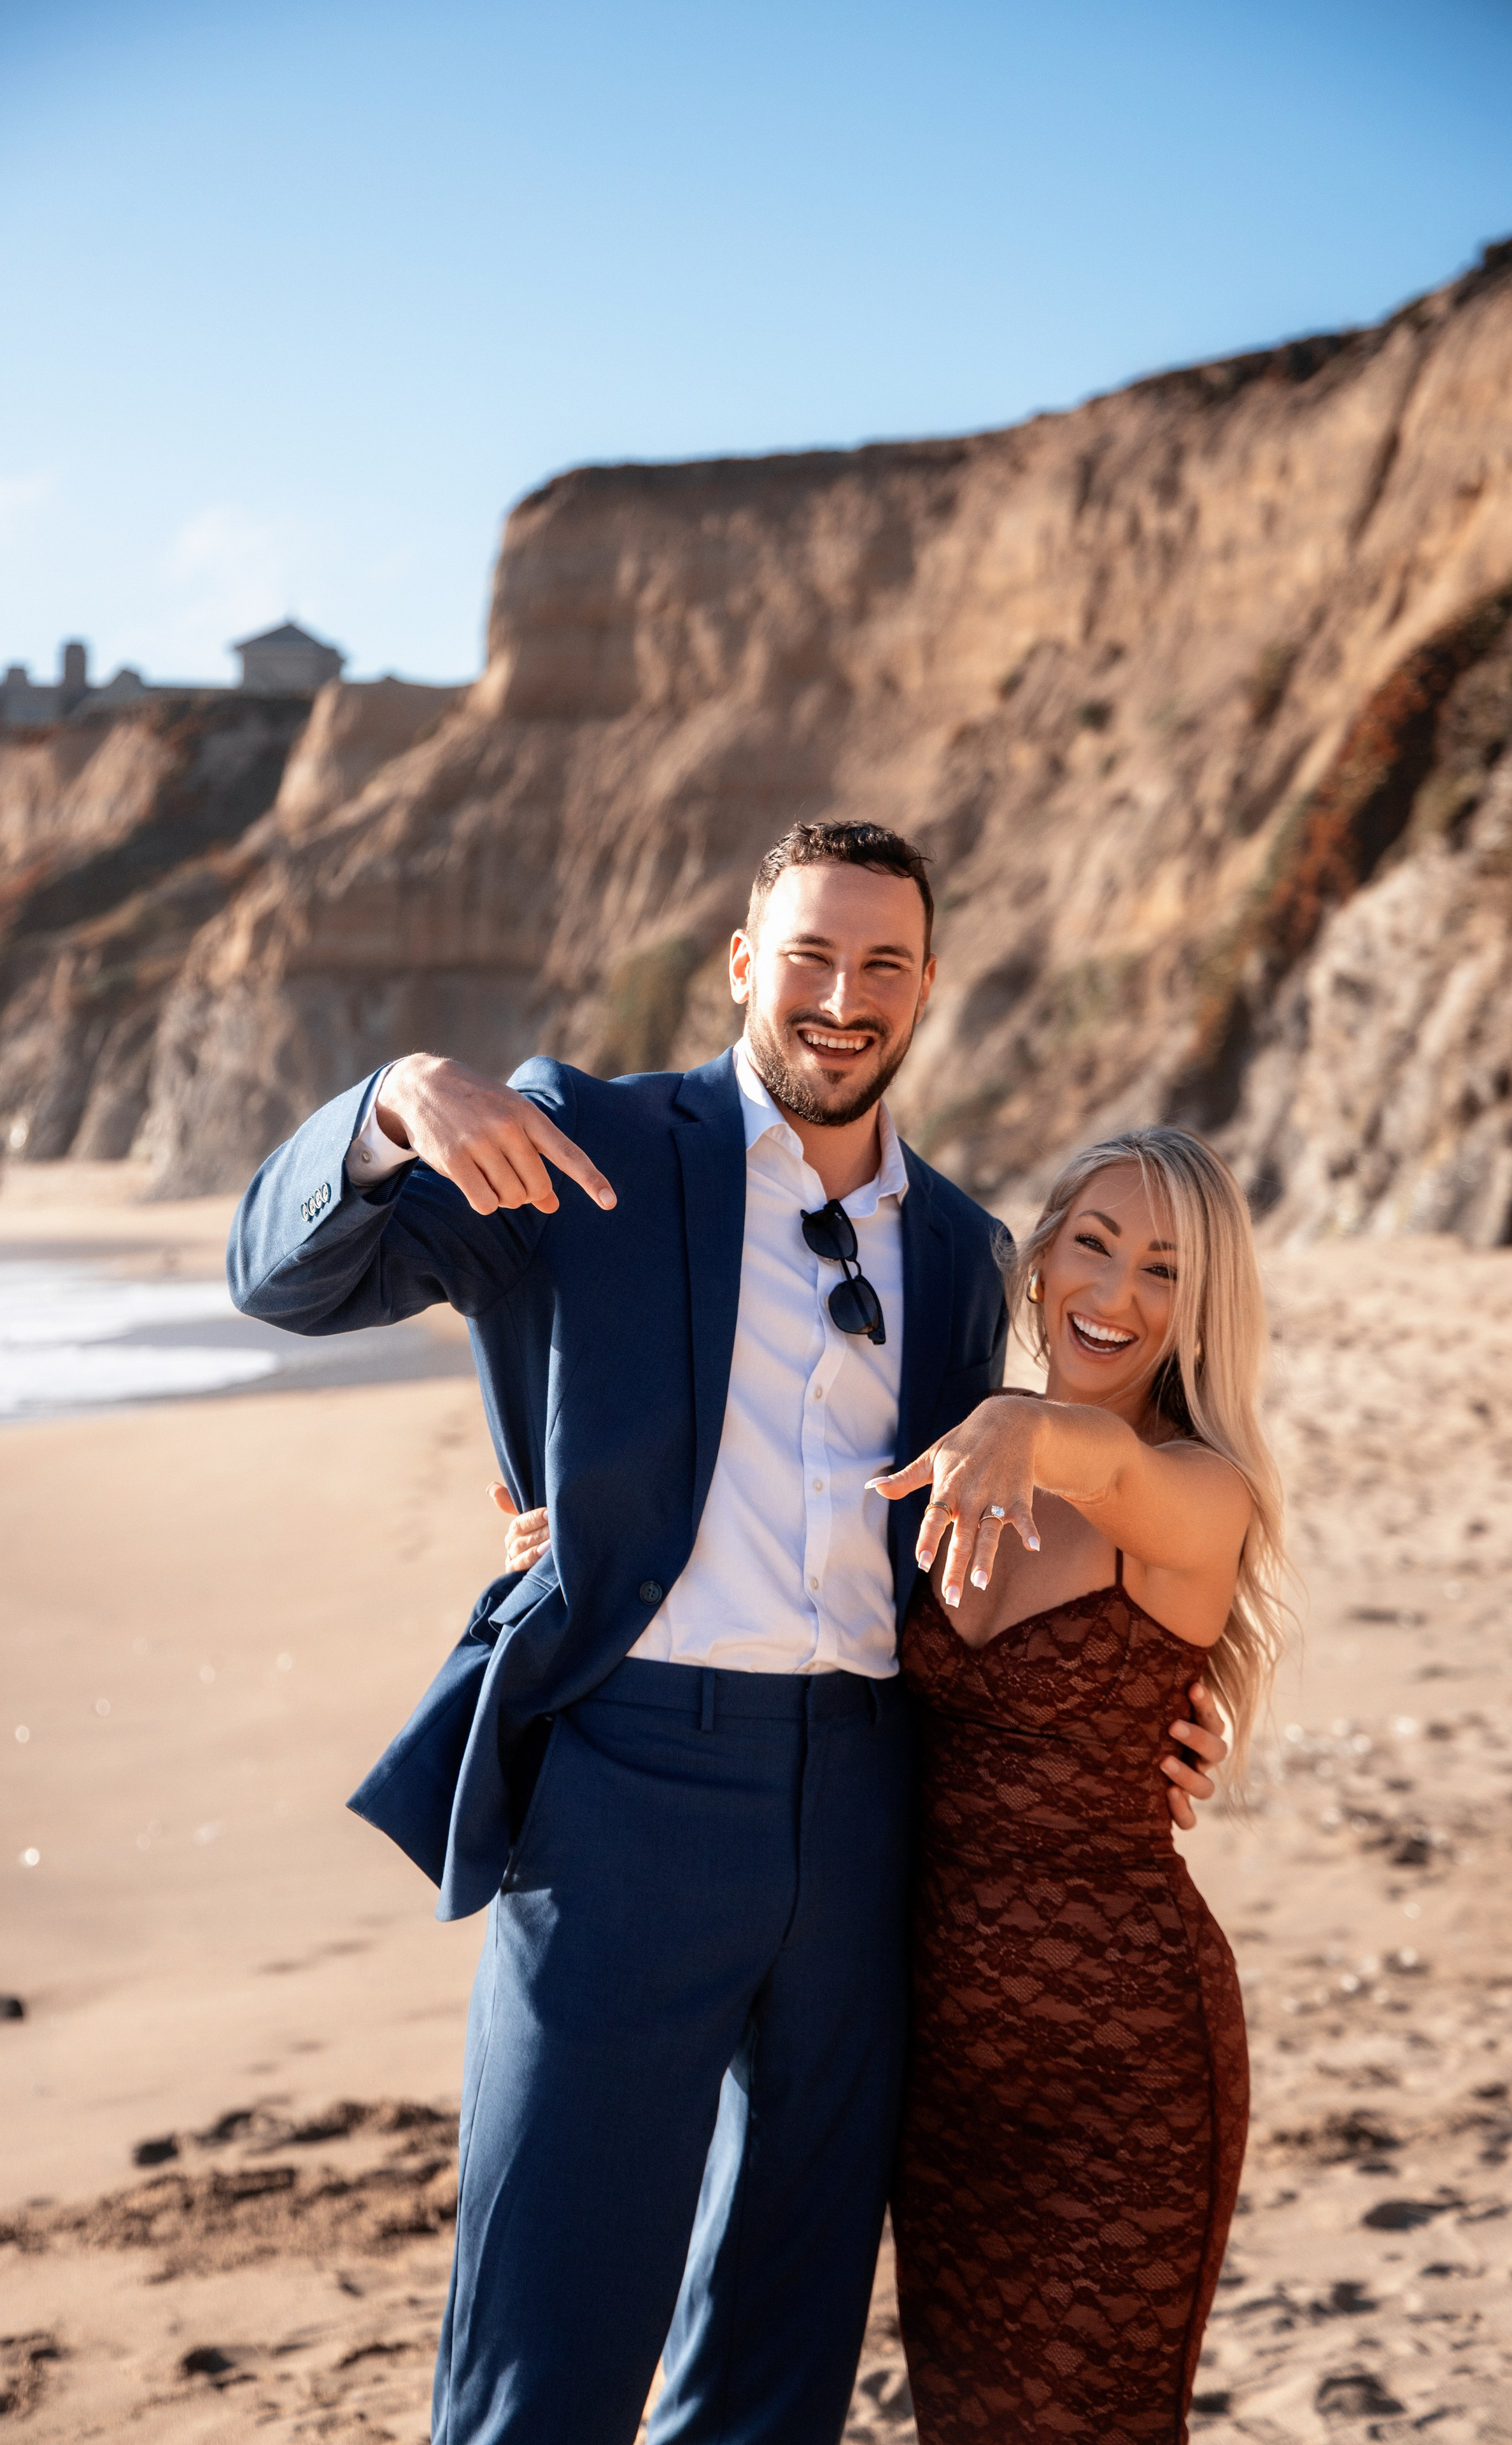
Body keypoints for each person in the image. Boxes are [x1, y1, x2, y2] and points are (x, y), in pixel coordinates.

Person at [227, 821, 1227, 2445]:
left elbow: (1102, 1515)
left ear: (925, 991)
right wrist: (389, 1105)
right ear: (744, 965)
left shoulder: (968, 1257)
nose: (843, 997)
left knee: (779, 2356)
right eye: (810, 956)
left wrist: (1155, 1717)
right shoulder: (580, 1145)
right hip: (624, 1798)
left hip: (865, 1828)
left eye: (883, 965)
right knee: (544, 2346)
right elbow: (280, 1278)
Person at [872, 1127, 1287, 2444]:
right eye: (1091, 1246)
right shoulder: (955, 1466)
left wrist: (1015, 1419)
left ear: (1199, 1311)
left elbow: (1104, 1469)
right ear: (1039, 1254)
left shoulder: (1194, 1491)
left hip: (1123, 2064)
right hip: (939, 2067)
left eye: (1161, 1273)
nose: (1111, 1297)